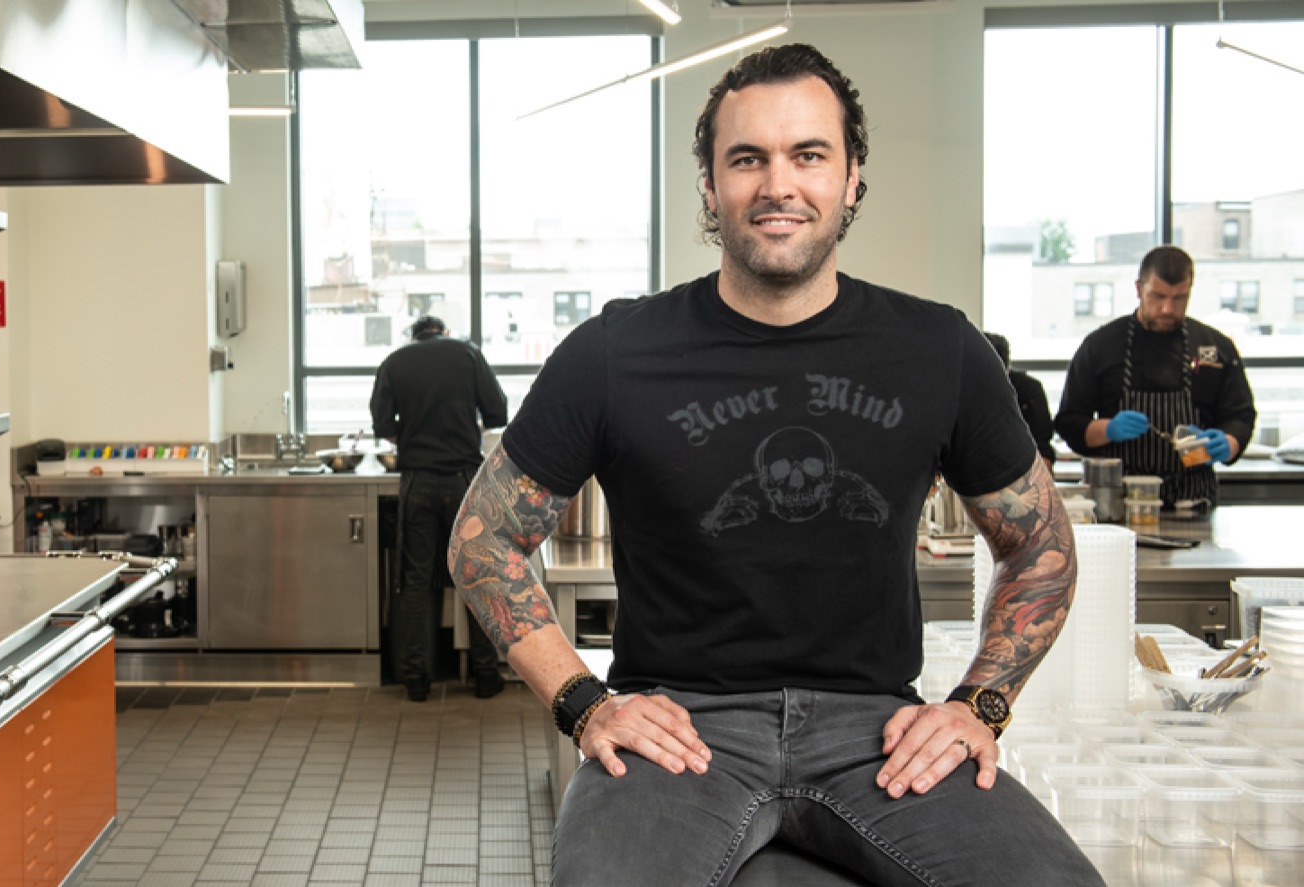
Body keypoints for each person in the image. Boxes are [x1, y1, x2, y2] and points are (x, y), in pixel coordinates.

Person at [449, 45, 1103, 885]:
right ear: (711, 186)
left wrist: (980, 704)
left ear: (852, 177)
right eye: (747, 158)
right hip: (681, 732)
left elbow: (1041, 548)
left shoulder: (939, 349)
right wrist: (582, 700)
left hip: (878, 734)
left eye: (809, 155)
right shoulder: (616, 352)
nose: (777, 184)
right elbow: (483, 537)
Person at [371, 315, 510, 702]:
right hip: (464, 479)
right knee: (474, 574)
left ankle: (416, 680)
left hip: (417, 480)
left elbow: (382, 424)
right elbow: (499, 412)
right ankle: (484, 675)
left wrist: (414, 431)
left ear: (414, 336)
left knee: (414, 580)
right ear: (443, 332)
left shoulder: (395, 361)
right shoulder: (468, 354)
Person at [1054, 245, 1256, 509]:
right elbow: (1070, 423)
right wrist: (1108, 429)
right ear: (1139, 289)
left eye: (1179, 298)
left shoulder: (1214, 348)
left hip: (1193, 502)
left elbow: (1240, 416)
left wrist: (1227, 444)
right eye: (1157, 296)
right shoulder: (1101, 346)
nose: (1166, 309)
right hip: (1118, 504)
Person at [984, 331, 1056, 465]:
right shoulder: (961, 391)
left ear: (1007, 369)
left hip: (1021, 470)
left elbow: (1043, 451)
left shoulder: (1029, 390)